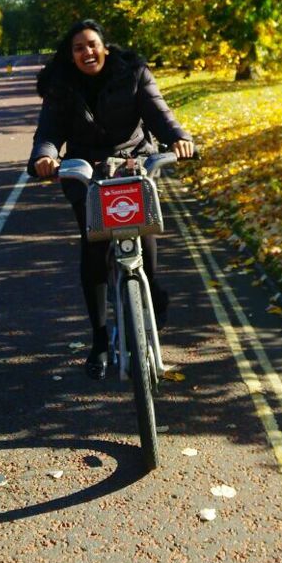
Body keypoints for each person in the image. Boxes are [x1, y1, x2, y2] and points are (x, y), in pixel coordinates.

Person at [28, 19, 194, 378]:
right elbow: (50, 130)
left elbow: (159, 113)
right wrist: (44, 156)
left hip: (132, 160)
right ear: (70, 57)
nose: (87, 52)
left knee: (143, 229)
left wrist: (179, 138)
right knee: (94, 249)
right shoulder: (61, 86)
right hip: (87, 169)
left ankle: (153, 288)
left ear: (104, 46)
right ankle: (100, 339)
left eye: (92, 44)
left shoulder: (132, 72)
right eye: (78, 48)